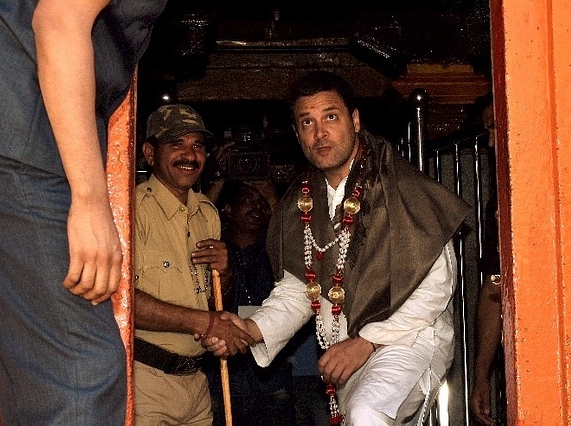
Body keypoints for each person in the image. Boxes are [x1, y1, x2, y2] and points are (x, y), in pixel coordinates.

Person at [205, 70, 470, 425]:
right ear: (298, 134)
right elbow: (301, 288)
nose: (320, 133)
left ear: (355, 120)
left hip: (410, 338)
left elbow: (437, 285)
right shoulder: (300, 202)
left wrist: (368, 342)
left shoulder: (402, 186)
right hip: (342, 347)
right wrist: (251, 330)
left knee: (367, 413)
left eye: (330, 116)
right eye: (307, 122)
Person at [0, 0, 167, 424]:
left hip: (9, 132)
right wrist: (90, 201)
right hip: (20, 136)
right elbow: (60, 20)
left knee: (42, 381)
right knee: (82, 370)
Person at [133, 104, 254, 426]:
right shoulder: (131, 210)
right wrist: (207, 324)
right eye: (177, 144)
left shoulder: (207, 212)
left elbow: (211, 300)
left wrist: (224, 273)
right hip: (144, 380)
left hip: (197, 381)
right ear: (149, 152)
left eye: (197, 145)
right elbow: (122, 302)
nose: (190, 155)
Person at [204, 179, 296, 426]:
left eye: (261, 202)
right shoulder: (216, 247)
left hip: (270, 373)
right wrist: (223, 176)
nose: (257, 207)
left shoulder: (278, 248)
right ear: (228, 209)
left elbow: (298, 237)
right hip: (222, 369)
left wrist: (272, 198)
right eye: (248, 199)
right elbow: (195, 222)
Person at [470, 96, 506, 426]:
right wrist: (482, 374)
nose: (491, 141)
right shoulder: (501, 196)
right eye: (487, 131)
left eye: (496, 126)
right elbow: (495, 285)